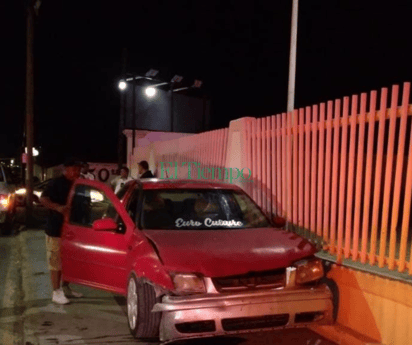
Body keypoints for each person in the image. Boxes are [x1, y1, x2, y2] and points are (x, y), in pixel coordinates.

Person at [40, 158, 84, 305]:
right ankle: (56, 291)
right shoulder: (55, 183)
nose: (77, 172)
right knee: (55, 261)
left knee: (68, 261)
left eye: (78, 169)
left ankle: (65, 288)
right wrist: (58, 208)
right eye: (74, 169)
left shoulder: (78, 183)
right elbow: (43, 199)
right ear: (66, 169)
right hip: (55, 228)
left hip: (72, 230)